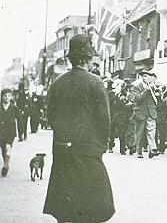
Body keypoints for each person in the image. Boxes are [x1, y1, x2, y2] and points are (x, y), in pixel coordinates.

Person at [43, 34, 115, 222]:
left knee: (65, 204)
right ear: (86, 59)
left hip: (62, 149)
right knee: (91, 205)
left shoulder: (57, 83)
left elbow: (50, 116)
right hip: (88, 150)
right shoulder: (95, 82)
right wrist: (102, 144)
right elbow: (104, 119)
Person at [128, 71, 160, 159]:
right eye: (145, 76)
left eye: (148, 76)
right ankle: (139, 152)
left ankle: (152, 149)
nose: (147, 78)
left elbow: (157, 99)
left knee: (151, 131)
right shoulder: (136, 87)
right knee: (139, 133)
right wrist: (146, 90)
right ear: (141, 77)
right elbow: (137, 99)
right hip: (140, 112)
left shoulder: (152, 86)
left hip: (151, 111)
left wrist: (157, 92)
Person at [0, 89, 18, 177]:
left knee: (7, 148)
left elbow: (20, 119)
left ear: (11, 97)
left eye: (8, 96)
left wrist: (21, 132)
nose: (7, 98)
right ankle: (6, 163)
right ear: (1, 97)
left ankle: (6, 165)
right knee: (3, 150)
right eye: (5, 96)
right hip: (1, 133)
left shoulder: (14, 107)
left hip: (10, 132)